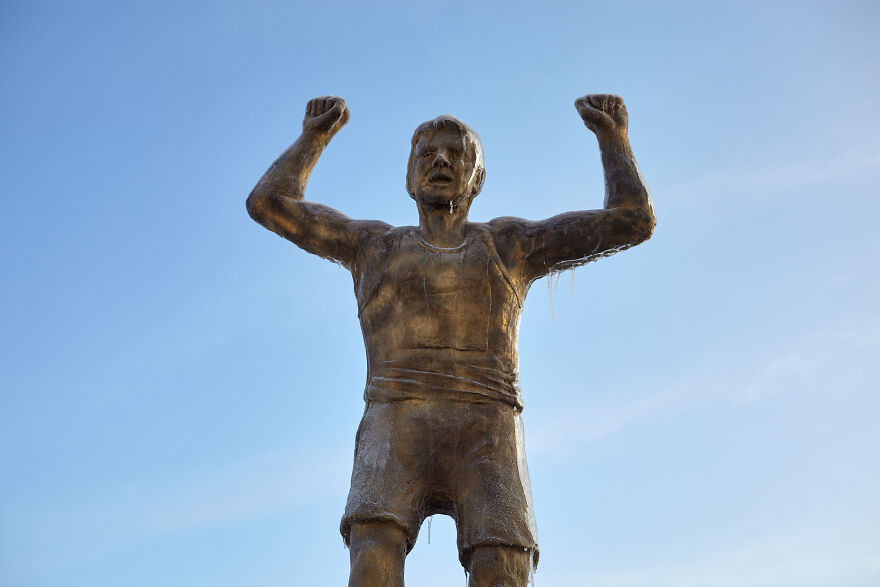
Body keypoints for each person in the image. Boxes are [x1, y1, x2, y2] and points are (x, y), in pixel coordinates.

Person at [247, 93, 655, 587]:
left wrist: (614, 140)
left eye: (457, 155)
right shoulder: (374, 245)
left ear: (477, 179)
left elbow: (632, 219)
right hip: (395, 422)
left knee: (503, 566)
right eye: (427, 154)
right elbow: (269, 204)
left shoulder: (508, 246)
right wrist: (312, 140)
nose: (441, 161)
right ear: (409, 178)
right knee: (372, 560)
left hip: (487, 429)